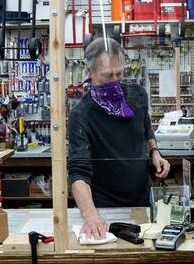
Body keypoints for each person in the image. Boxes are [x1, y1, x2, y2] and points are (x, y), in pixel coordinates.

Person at [68, 37, 171, 239]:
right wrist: (91, 217)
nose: (115, 81)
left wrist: (155, 152)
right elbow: (78, 172)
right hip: (104, 211)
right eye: (107, 76)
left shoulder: (138, 94)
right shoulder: (81, 115)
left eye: (119, 73)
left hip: (143, 202)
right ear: (89, 72)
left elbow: (146, 127)